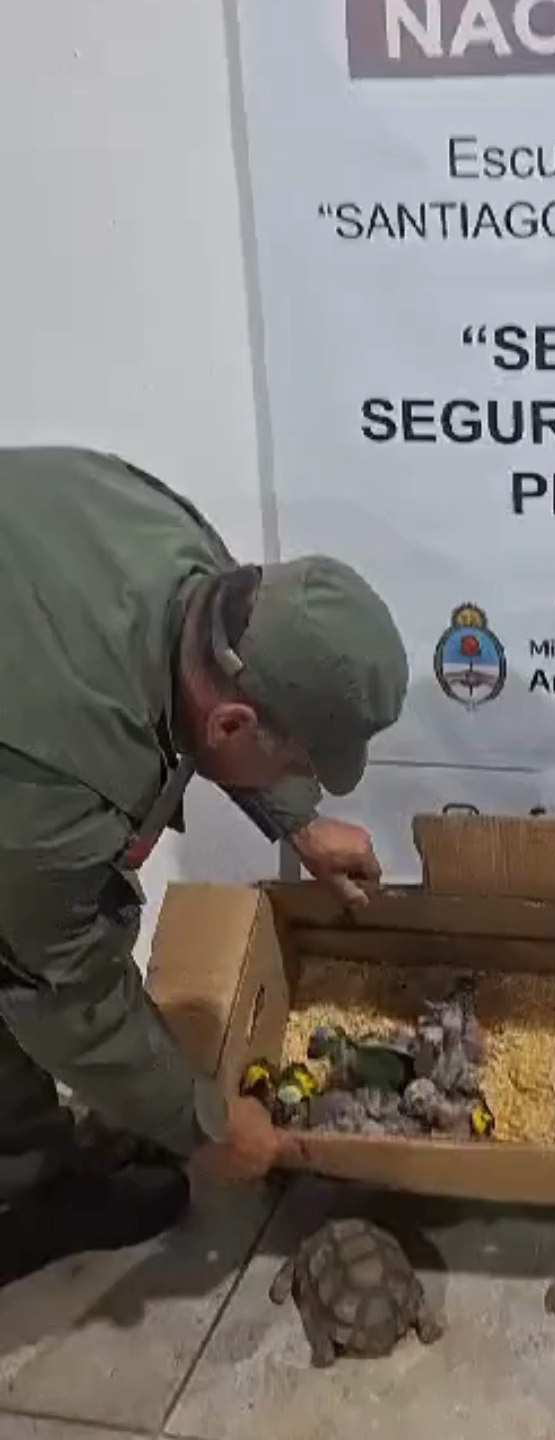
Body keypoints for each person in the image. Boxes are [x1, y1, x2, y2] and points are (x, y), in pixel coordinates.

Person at [0, 446, 409, 1285]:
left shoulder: (196, 568)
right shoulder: (54, 788)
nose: (298, 778)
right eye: (296, 763)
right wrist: (208, 1124)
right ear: (231, 726)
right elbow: (68, 997)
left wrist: (297, 823)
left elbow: (211, 705)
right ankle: (23, 1196)